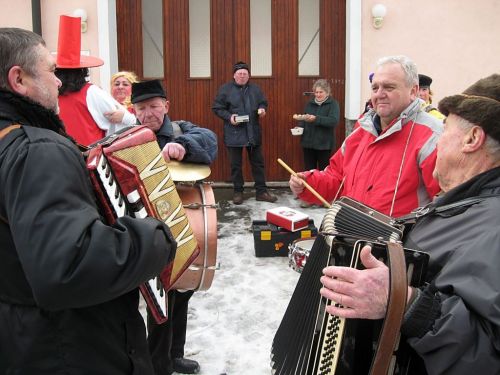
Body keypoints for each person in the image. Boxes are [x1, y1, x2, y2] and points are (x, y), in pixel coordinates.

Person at [0, 27, 177, 374]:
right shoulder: (38, 151)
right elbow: (68, 266)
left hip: (22, 338)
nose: (58, 83)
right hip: (70, 347)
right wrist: (156, 237)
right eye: (51, 72)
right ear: (19, 79)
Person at [320, 73, 500, 374]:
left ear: (472, 140)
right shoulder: (463, 204)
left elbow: (488, 357)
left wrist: (405, 302)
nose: (437, 139)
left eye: (444, 130)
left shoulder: (493, 226)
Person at [131, 79, 217, 375]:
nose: (148, 114)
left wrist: (182, 146)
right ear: (134, 111)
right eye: (141, 108)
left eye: (154, 106)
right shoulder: (128, 138)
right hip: (146, 231)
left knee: (180, 295)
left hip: (182, 227)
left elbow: (209, 140)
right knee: (160, 301)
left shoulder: (182, 130)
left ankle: (173, 355)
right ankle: (158, 365)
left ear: (166, 106)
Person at [290, 55, 443, 217]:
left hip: (398, 239)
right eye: (375, 88)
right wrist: (308, 183)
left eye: (389, 87)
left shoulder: (432, 136)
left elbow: (445, 207)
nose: (379, 94)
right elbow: (337, 178)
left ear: (413, 91)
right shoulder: (361, 129)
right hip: (352, 235)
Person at [55, 15, 136, 146]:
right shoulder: (92, 92)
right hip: (88, 161)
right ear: (82, 70)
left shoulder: (47, 95)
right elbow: (128, 126)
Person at [212, 61, 277, 205]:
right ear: (234, 76)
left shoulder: (255, 89)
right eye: (239, 73)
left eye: (245, 74)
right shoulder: (225, 89)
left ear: (249, 76)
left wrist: (262, 109)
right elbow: (217, 108)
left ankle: (261, 192)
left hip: (253, 132)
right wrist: (230, 117)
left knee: (258, 164)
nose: (242, 76)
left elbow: (263, 102)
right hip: (234, 132)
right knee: (236, 165)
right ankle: (238, 192)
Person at [295, 79, 339, 207]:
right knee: (309, 172)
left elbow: (333, 121)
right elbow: (303, 118)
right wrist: (299, 127)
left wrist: (316, 119)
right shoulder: (310, 104)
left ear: (327, 92)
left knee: (324, 173)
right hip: (308, 142)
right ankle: (309, 198)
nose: (318, 94)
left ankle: (325, 198)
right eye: (316, 92)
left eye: (321, 92)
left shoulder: (333, 104)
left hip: (324, 143)